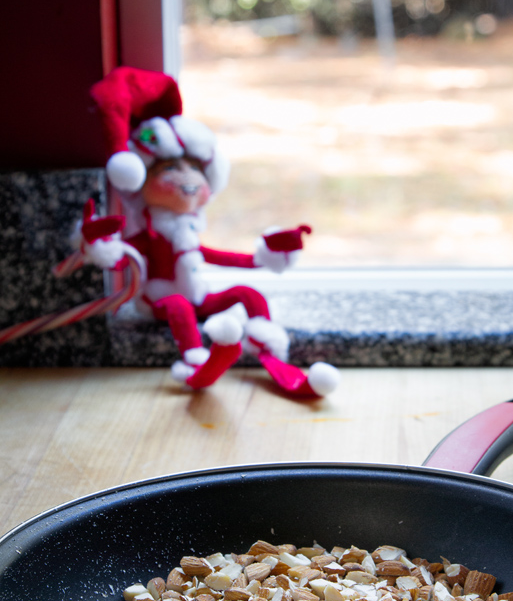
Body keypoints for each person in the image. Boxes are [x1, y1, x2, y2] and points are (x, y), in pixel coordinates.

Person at [83, 66, 339, 398]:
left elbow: (215, 256)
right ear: (141, 182)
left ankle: (264, 340)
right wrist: (103, 248)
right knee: (177, 304)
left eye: (193, 169)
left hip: (199, 297)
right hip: (160, 301)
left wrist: (261, 259)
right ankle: (194, 358)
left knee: (246, 294)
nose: (187, 179)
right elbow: (126, 258)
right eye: (171, 169)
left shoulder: (187, 231)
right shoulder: (150, 232)